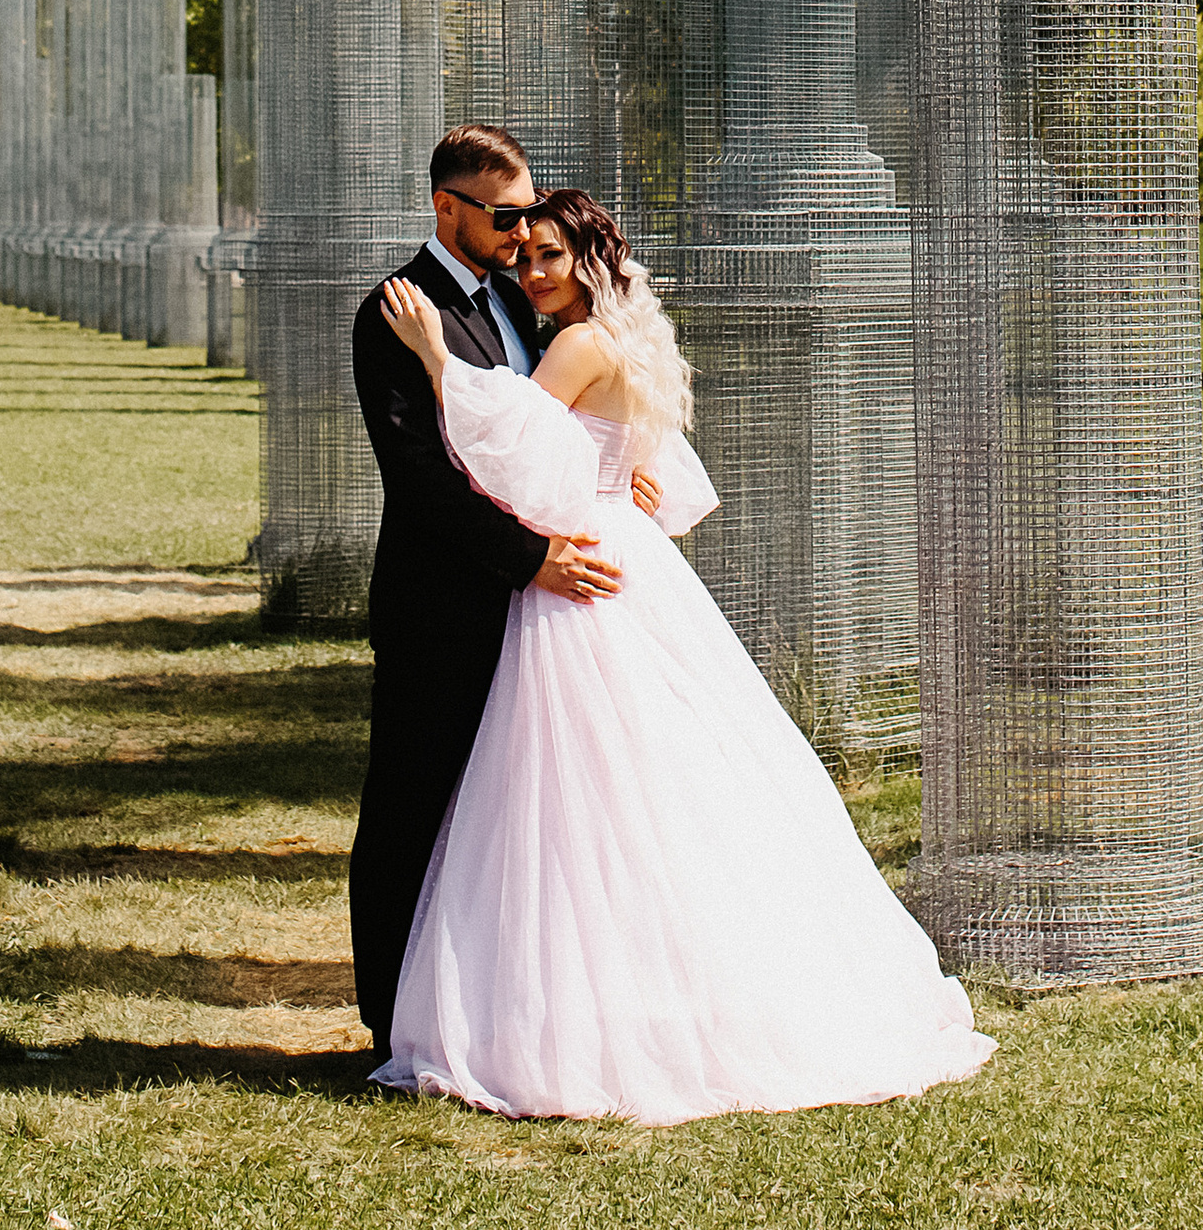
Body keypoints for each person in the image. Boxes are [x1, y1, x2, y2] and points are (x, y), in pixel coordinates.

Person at [375, 188, 995, 1125]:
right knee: (640, 783)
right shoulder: (621, 339)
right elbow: (638, 458)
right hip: (626, 548)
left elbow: (509, 449)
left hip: (587, 567)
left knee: (582, 788)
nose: (535, 271)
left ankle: (594, 1016)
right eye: (528, 254)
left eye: (551, 256)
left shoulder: (580, 344)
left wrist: (434, 359)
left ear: (590, 262)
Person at [346, 125, 630, 1056]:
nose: (522, 236)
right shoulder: (395, 310)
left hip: (527, 616)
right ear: (448, 209)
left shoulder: (521, 300)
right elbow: (425, 480)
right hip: (443, 600)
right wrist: (531, 557)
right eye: (506, 218)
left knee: (503, 822)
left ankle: (483, 1020)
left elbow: (543, 433)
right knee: (409, 812)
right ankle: (393, 1024)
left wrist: (617, 475)